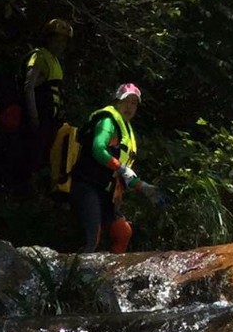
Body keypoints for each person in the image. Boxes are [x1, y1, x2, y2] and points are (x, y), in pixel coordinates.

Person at [69, 83, 166, 253]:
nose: (130, 107)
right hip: (87, 185)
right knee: (93, 238)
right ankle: (77, 277)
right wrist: (121, 168)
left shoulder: (126, 130)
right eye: (126, 101)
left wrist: (145, 188)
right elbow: (98, 149)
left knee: (123, 233)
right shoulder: (107, 121)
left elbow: (125, 175)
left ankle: (110, 276)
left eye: (134, 103)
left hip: (106, 193)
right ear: (116, 101)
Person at [23, 19, 73, 181]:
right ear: (48, 39)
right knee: (31, 155)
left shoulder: (55, 61)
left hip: (51, 119)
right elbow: (28, 87)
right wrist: (34, 117)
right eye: (57, 39)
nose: (60, 45)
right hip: (38, 117)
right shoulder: (39, 56)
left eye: (63, 41)